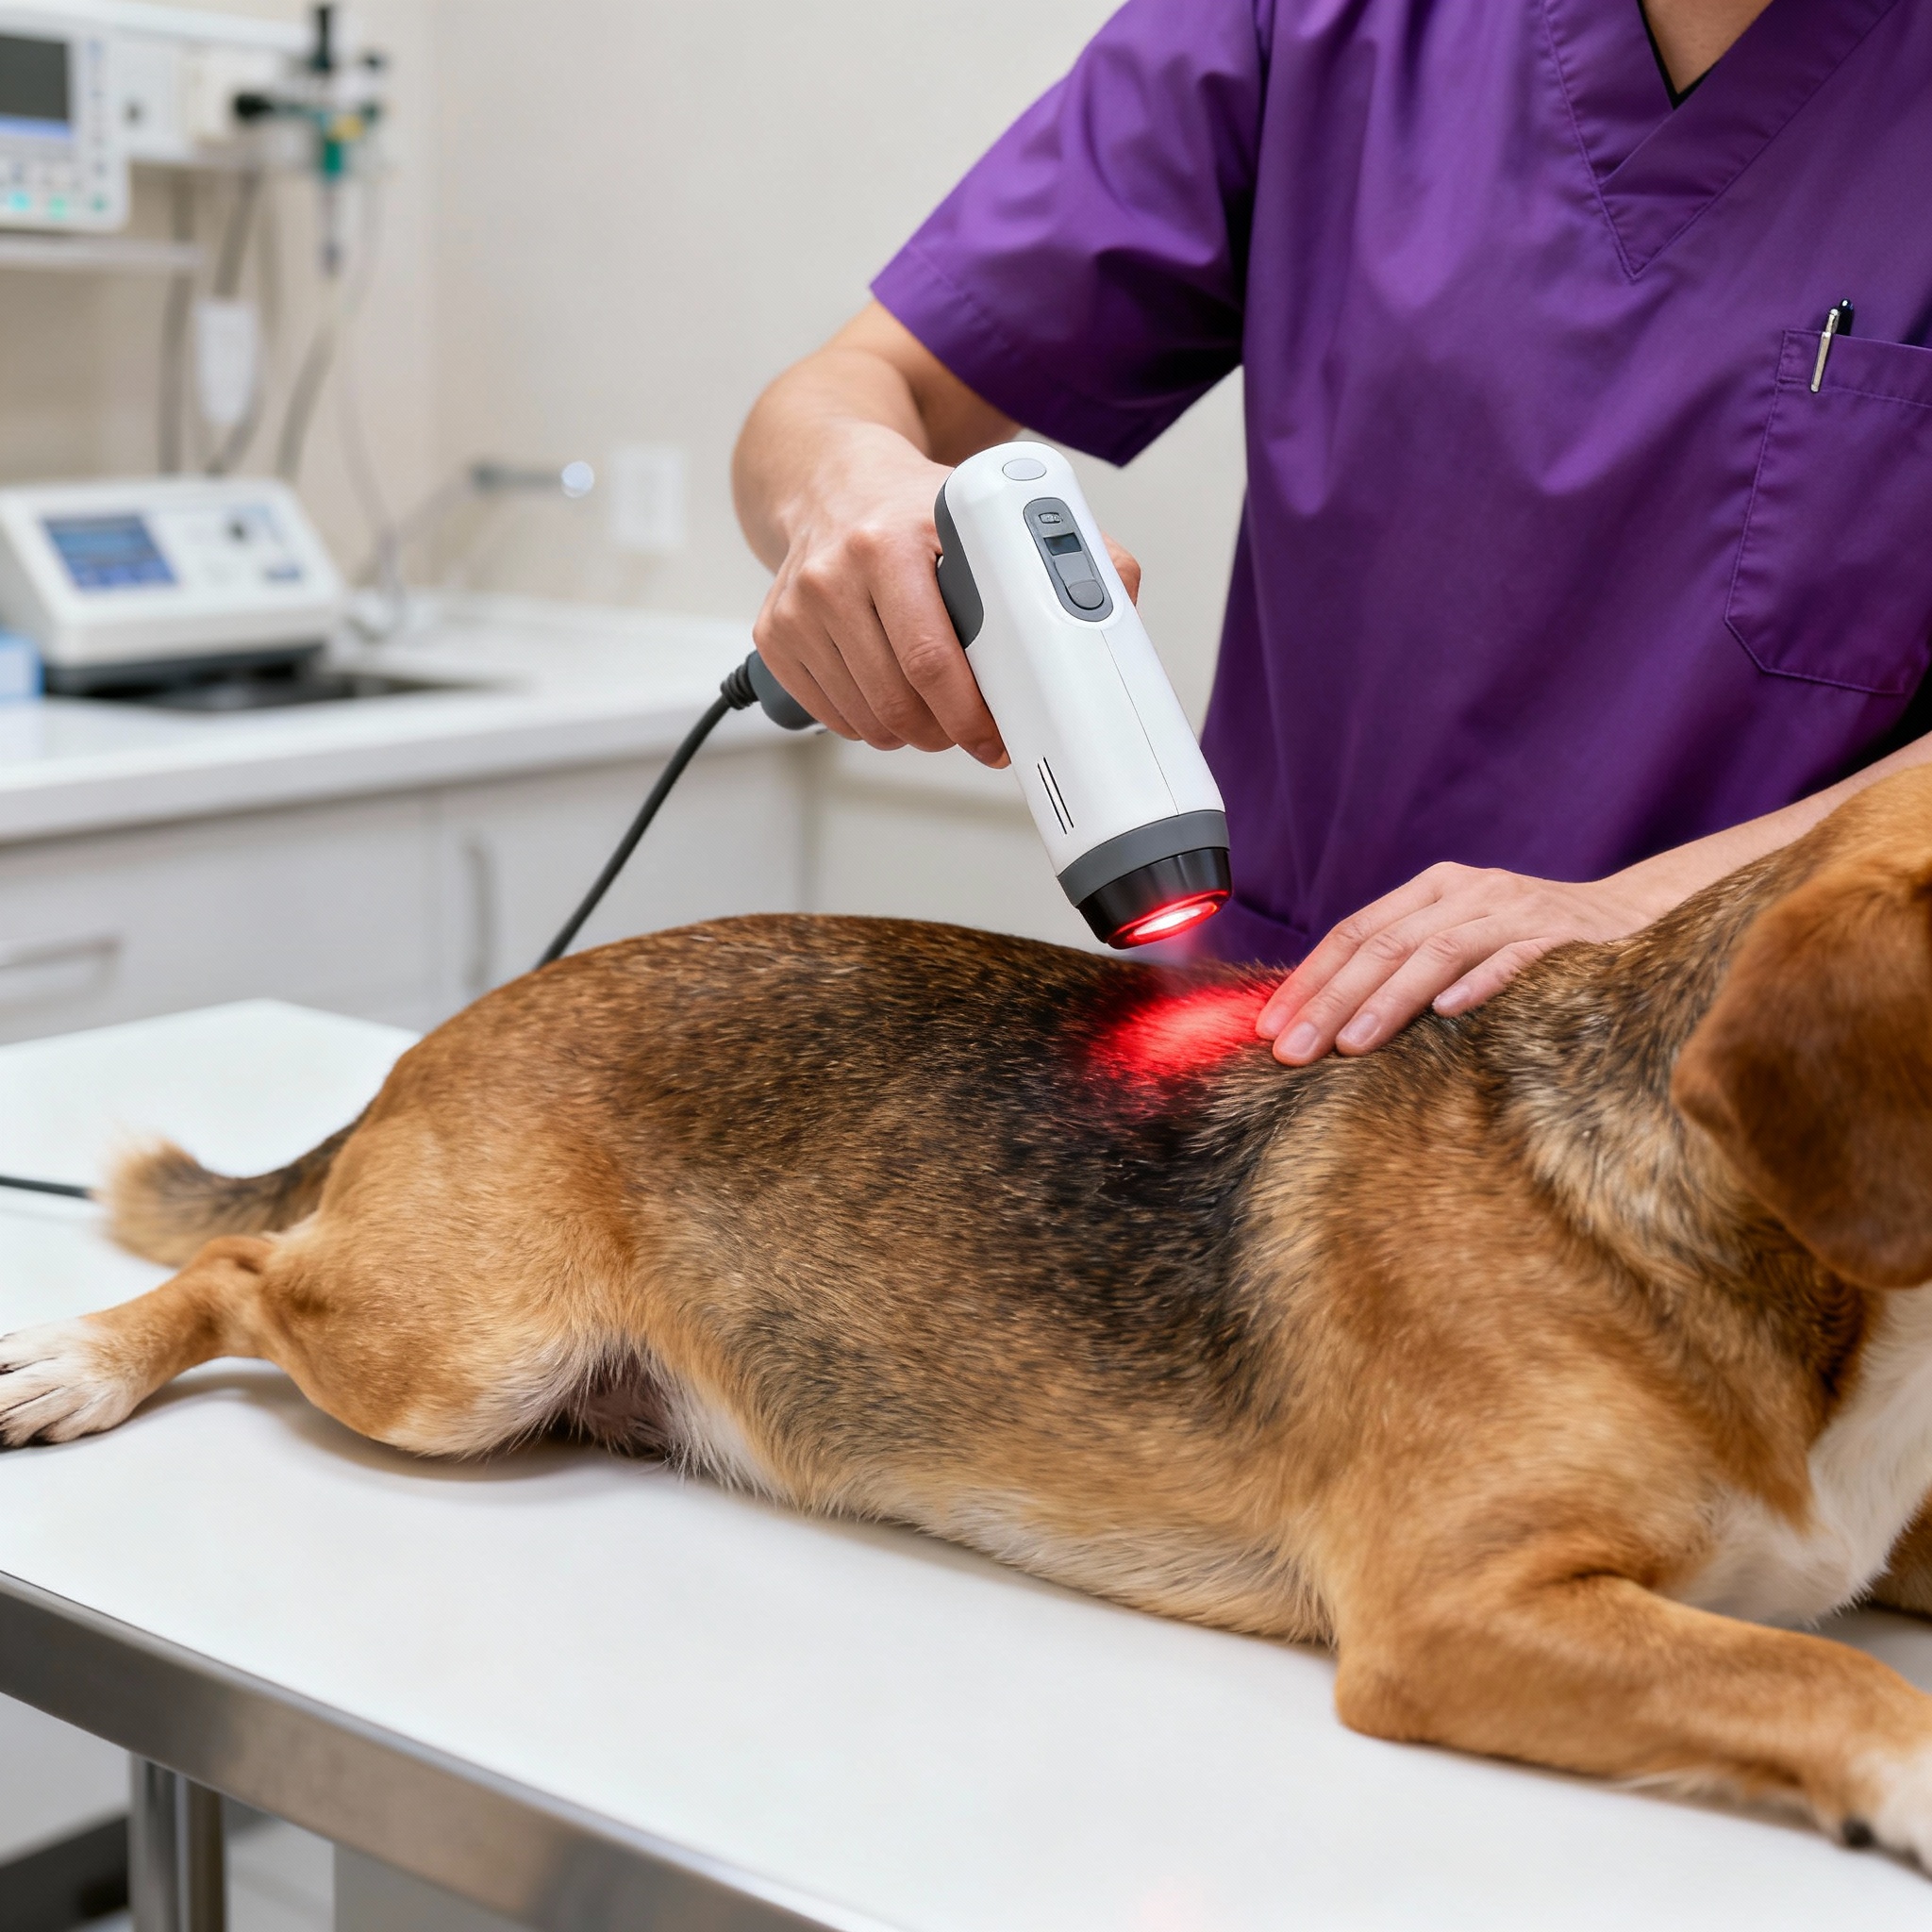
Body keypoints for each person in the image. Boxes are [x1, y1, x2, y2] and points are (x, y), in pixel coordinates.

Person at [732, 0, 1932, 1064]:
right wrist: (844, 492)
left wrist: (1648, 913)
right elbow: (850, 389)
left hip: (1773, 1091)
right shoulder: (1314, 29)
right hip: (1279, 1062)